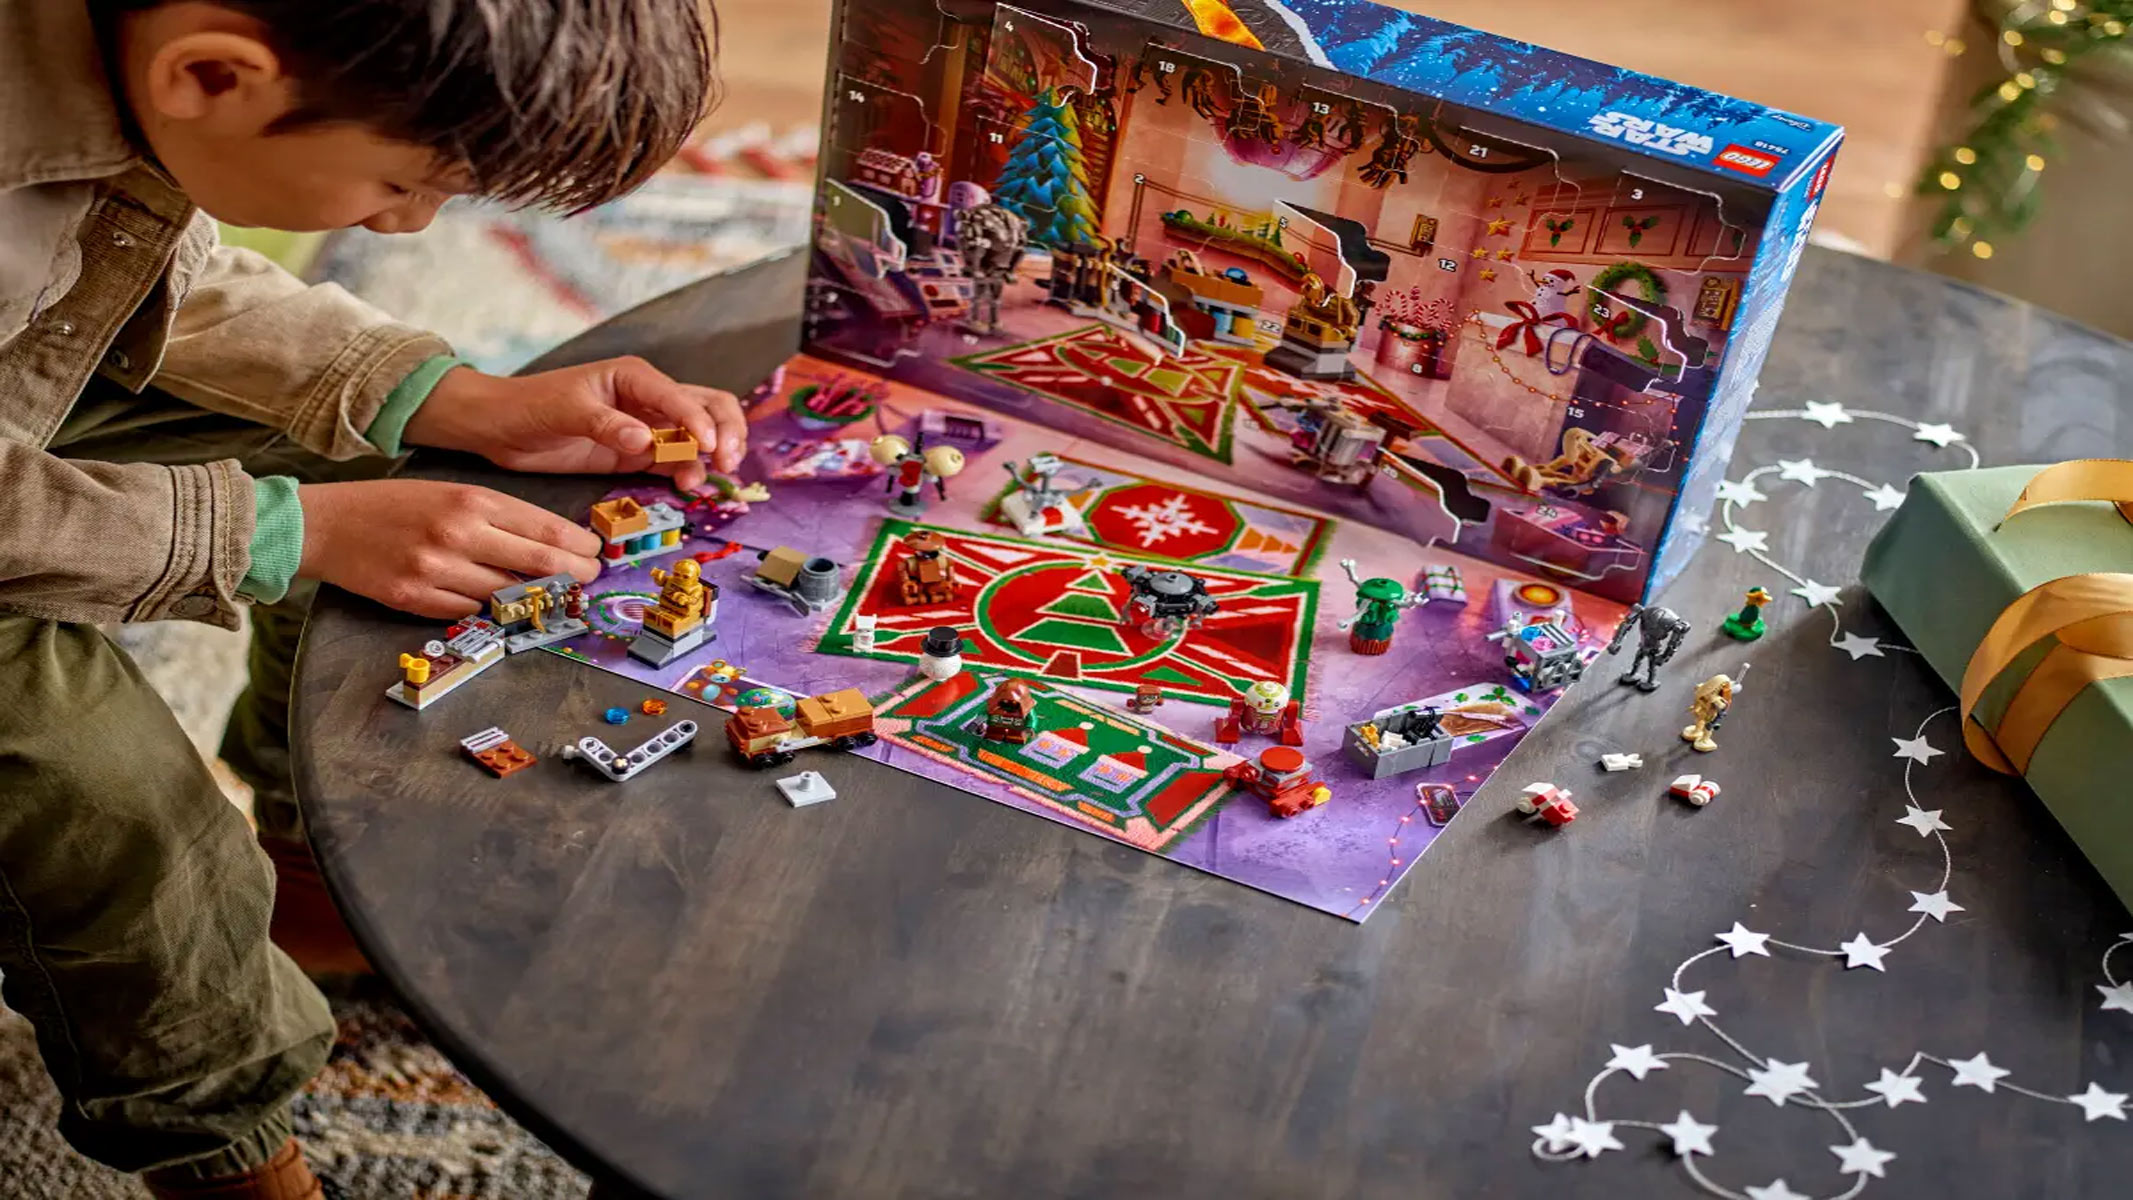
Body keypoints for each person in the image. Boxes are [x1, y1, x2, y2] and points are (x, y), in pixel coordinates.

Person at [0, 2, 741, 1195]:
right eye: (404, 185)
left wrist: (450, 397)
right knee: (119, 814)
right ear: (210, 75)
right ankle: (230, 1160)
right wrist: (280, 531)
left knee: (384, 470)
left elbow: (131, 271)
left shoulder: (131, 66)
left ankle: (313, 885)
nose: (408, 225)